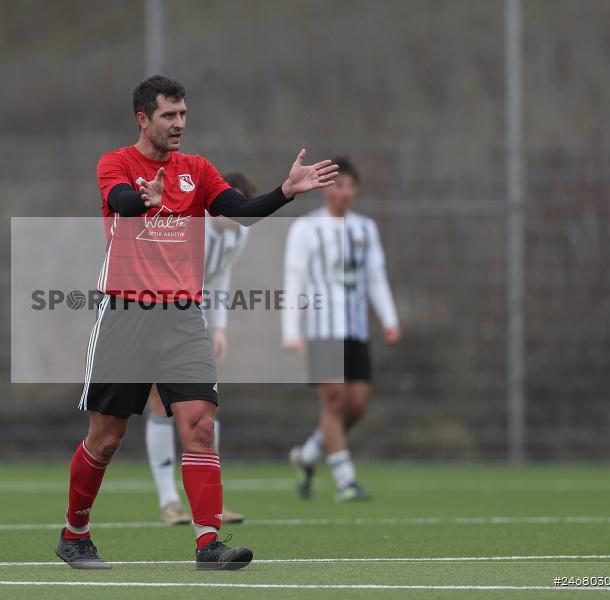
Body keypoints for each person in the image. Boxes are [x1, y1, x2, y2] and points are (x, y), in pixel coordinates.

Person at [55, 75, 338, 570]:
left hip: (183, 317)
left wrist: (286, 192)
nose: (179, 123)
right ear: (143, 119)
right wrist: (141, 198)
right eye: (169, 115)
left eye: (183, 114)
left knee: (200, 425)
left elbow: (242, 212)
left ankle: (209, 542)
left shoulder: (197, 170)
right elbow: (120, 202)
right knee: (106, 436)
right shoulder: (116, 164)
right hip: (124, 314)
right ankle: (74, 533)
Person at [282, 157, 400, 502]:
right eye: (336, 184)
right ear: (323, 188)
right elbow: (294, 279)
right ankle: (346, 480)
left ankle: (307, 455)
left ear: (356, 189)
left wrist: (390, 320)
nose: (343, 191)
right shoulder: (306, 228)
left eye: (349, 184)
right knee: (333, 401)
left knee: (357, 405)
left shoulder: (366, 229)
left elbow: (376, 278)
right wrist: (292, 329)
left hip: (356, 329)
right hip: (321, 328)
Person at [146, 172, 253, 526]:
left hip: (194, 317)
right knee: (161, 404)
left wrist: (218, 328)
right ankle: (168, 501)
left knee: (206, 408)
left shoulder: (240, 232)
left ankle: (210, 502)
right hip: (154, 312)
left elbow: (220, 275)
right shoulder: (187, 225)